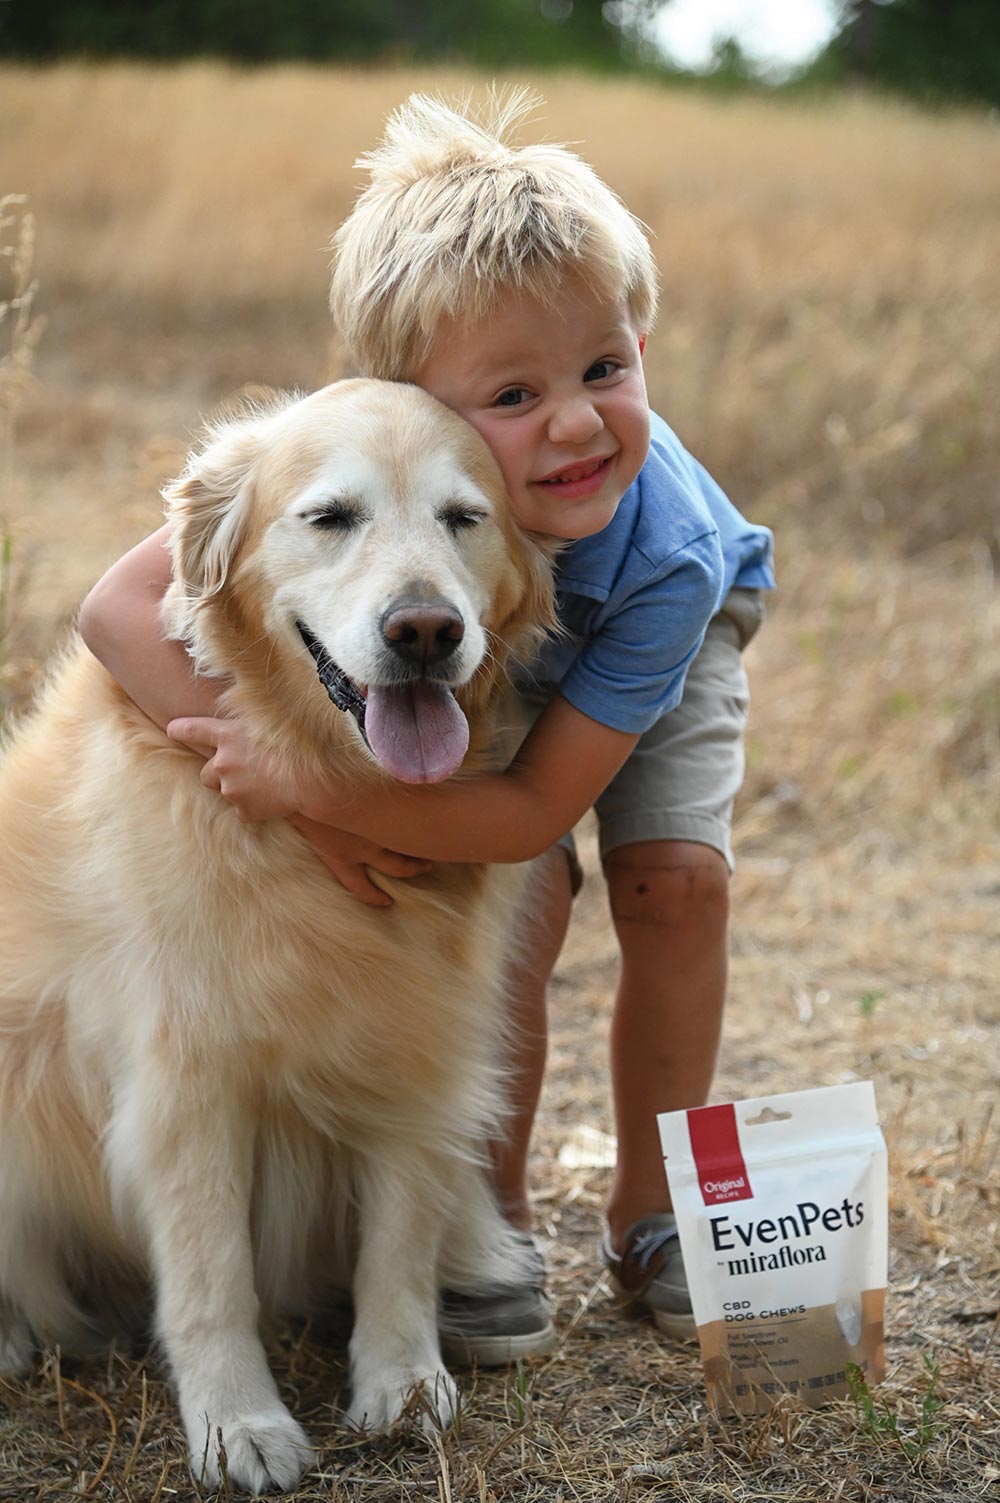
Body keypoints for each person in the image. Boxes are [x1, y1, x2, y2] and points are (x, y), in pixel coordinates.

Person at [79, 91, 774, 1364]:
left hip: (647, 637)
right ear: (406, 395)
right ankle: (482, 1217)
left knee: (673, 885)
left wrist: (325, 803)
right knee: (520, 903)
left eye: (605, 370)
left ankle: (658, 1210)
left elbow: (526, 811)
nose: (573, 421)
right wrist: (251, 755)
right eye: (513, 392)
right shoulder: (358, 451)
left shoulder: (664, 550)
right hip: (449, 628)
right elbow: (118, 606)